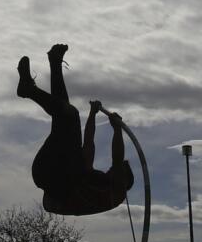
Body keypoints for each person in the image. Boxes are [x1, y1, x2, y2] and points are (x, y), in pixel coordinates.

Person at [17, 44, 134, 216]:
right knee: (64, 114)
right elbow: (88, 145)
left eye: (114, 171)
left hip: (55, 179)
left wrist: (117, 129)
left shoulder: (116, 192)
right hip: (50, 173)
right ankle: (55, 63)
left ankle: (30, 89)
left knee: (69, 116)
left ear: (123, 180)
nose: (109, 169)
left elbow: (117, 159)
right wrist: (93, 115)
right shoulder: (91, 179)